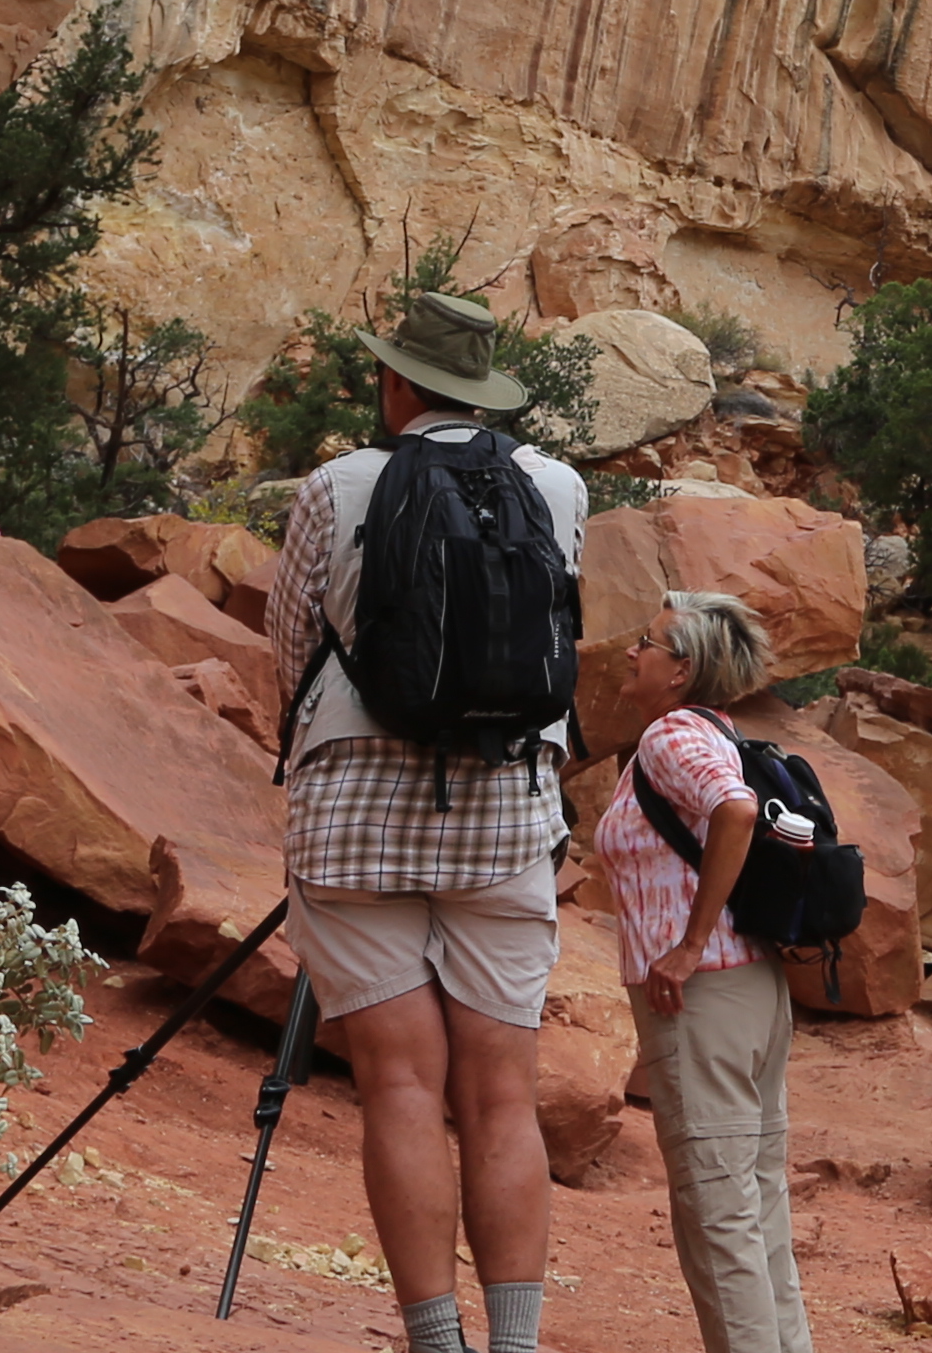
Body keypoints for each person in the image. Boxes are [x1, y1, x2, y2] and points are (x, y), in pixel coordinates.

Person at [267, 289, 588, 1353]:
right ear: (485, 391)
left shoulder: (336, 484)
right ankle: (515, 1342)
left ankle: (435, 1341)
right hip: (504, 807)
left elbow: (290, 648)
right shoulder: (556, 483)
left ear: (399, 383)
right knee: (503, 1093)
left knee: (400, 1081)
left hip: (355, 807)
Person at [600, 589, 813, 1353]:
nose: (632, 652)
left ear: (681, 669)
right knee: (756, 1208)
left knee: (718, 1215)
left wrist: (687, 945)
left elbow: (735, 811)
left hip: (705, 997)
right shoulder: (720, 731)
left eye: (648, 643)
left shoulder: (670, 735)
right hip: (752, 987)